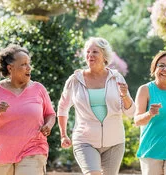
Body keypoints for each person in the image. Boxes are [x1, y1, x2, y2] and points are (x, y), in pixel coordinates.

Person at [0, 44, 56, 175]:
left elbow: (50, 114)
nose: (29, 67)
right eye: (23, 64)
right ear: (10, 68)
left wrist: (48, 125)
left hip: (33, 149)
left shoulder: (38, 89)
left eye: (29, 63)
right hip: (0, 154)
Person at [57, 37, 135, 175]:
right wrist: (63, 135)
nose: (90, 55)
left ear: (104, 56)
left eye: (95, 52)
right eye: (88, 52)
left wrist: (125, 95)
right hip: (85, 140)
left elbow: (130, 112)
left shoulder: (116, 78)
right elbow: (63, 107)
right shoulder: (75, 80)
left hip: (114, 141)